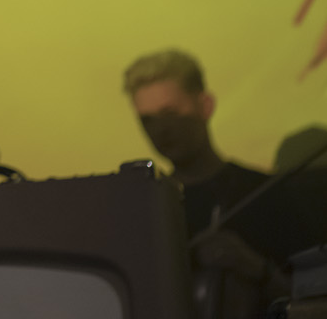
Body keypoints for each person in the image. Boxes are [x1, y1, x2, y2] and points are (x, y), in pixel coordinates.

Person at [123, 49, 287, 319]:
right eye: (148, 120)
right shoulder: (143, 208)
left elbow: (311, 301)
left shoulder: (266, 193)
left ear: (206, 105)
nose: (161, 129)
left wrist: (255, 267)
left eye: (170, 113)